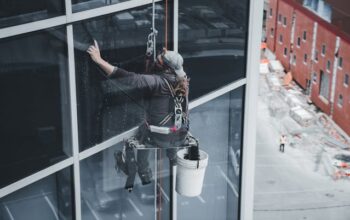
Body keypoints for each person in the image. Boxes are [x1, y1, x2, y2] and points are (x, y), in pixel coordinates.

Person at [87, 40, 189, 187]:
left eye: (159, 58)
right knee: (168, 131)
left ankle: (145, 174)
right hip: (178, 135)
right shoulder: (182, 81)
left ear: (166, 68)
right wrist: (161, 55)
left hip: (159, 137)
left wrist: (99, 60)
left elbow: (129, 78)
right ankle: (173, 158)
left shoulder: (157, 83)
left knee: (144, 133)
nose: (157, 58)